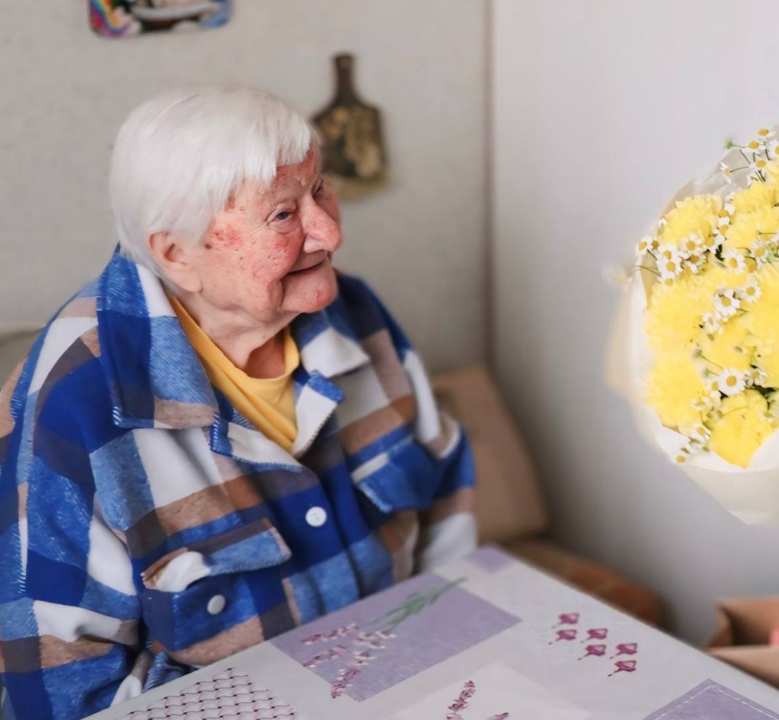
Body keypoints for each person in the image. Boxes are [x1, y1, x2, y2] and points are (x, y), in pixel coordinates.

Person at [0, 87, 476, 720]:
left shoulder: (354, 312)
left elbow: (447, 501)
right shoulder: (77, 404)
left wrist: (453, 663)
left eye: (320, 190)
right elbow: (65, 692)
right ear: (176, 254)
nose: (329, 230)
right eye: (283, 215)